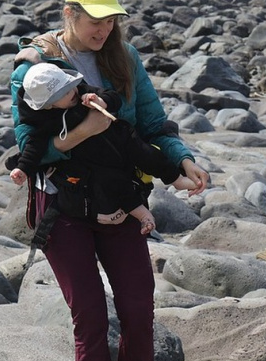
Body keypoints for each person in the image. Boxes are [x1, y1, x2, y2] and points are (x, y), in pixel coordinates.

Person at [10, 0, 210, 361]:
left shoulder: (126, 57)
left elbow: (152, 124)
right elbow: (27, 144)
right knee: (91, 318)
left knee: (140, 307)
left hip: (119, 200)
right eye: (94, 19)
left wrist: (182, 160)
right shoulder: (33, 69)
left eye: (110, 19)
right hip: (62, 205)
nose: (104, 28)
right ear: (68, 14)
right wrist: (81, 133)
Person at [10, 62, 196, 234]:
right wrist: (23, 168)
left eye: (69, 85)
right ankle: (142, 214)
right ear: (49, 105)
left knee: (148, 154)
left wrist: (101, 101)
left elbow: (114, 97)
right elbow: (35, 146)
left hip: (121, 137)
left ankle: (175, 177)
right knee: (112, 181)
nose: (72, 92)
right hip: (93, 158)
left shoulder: (80, 91)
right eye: (63, 94)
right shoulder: (44, 120)